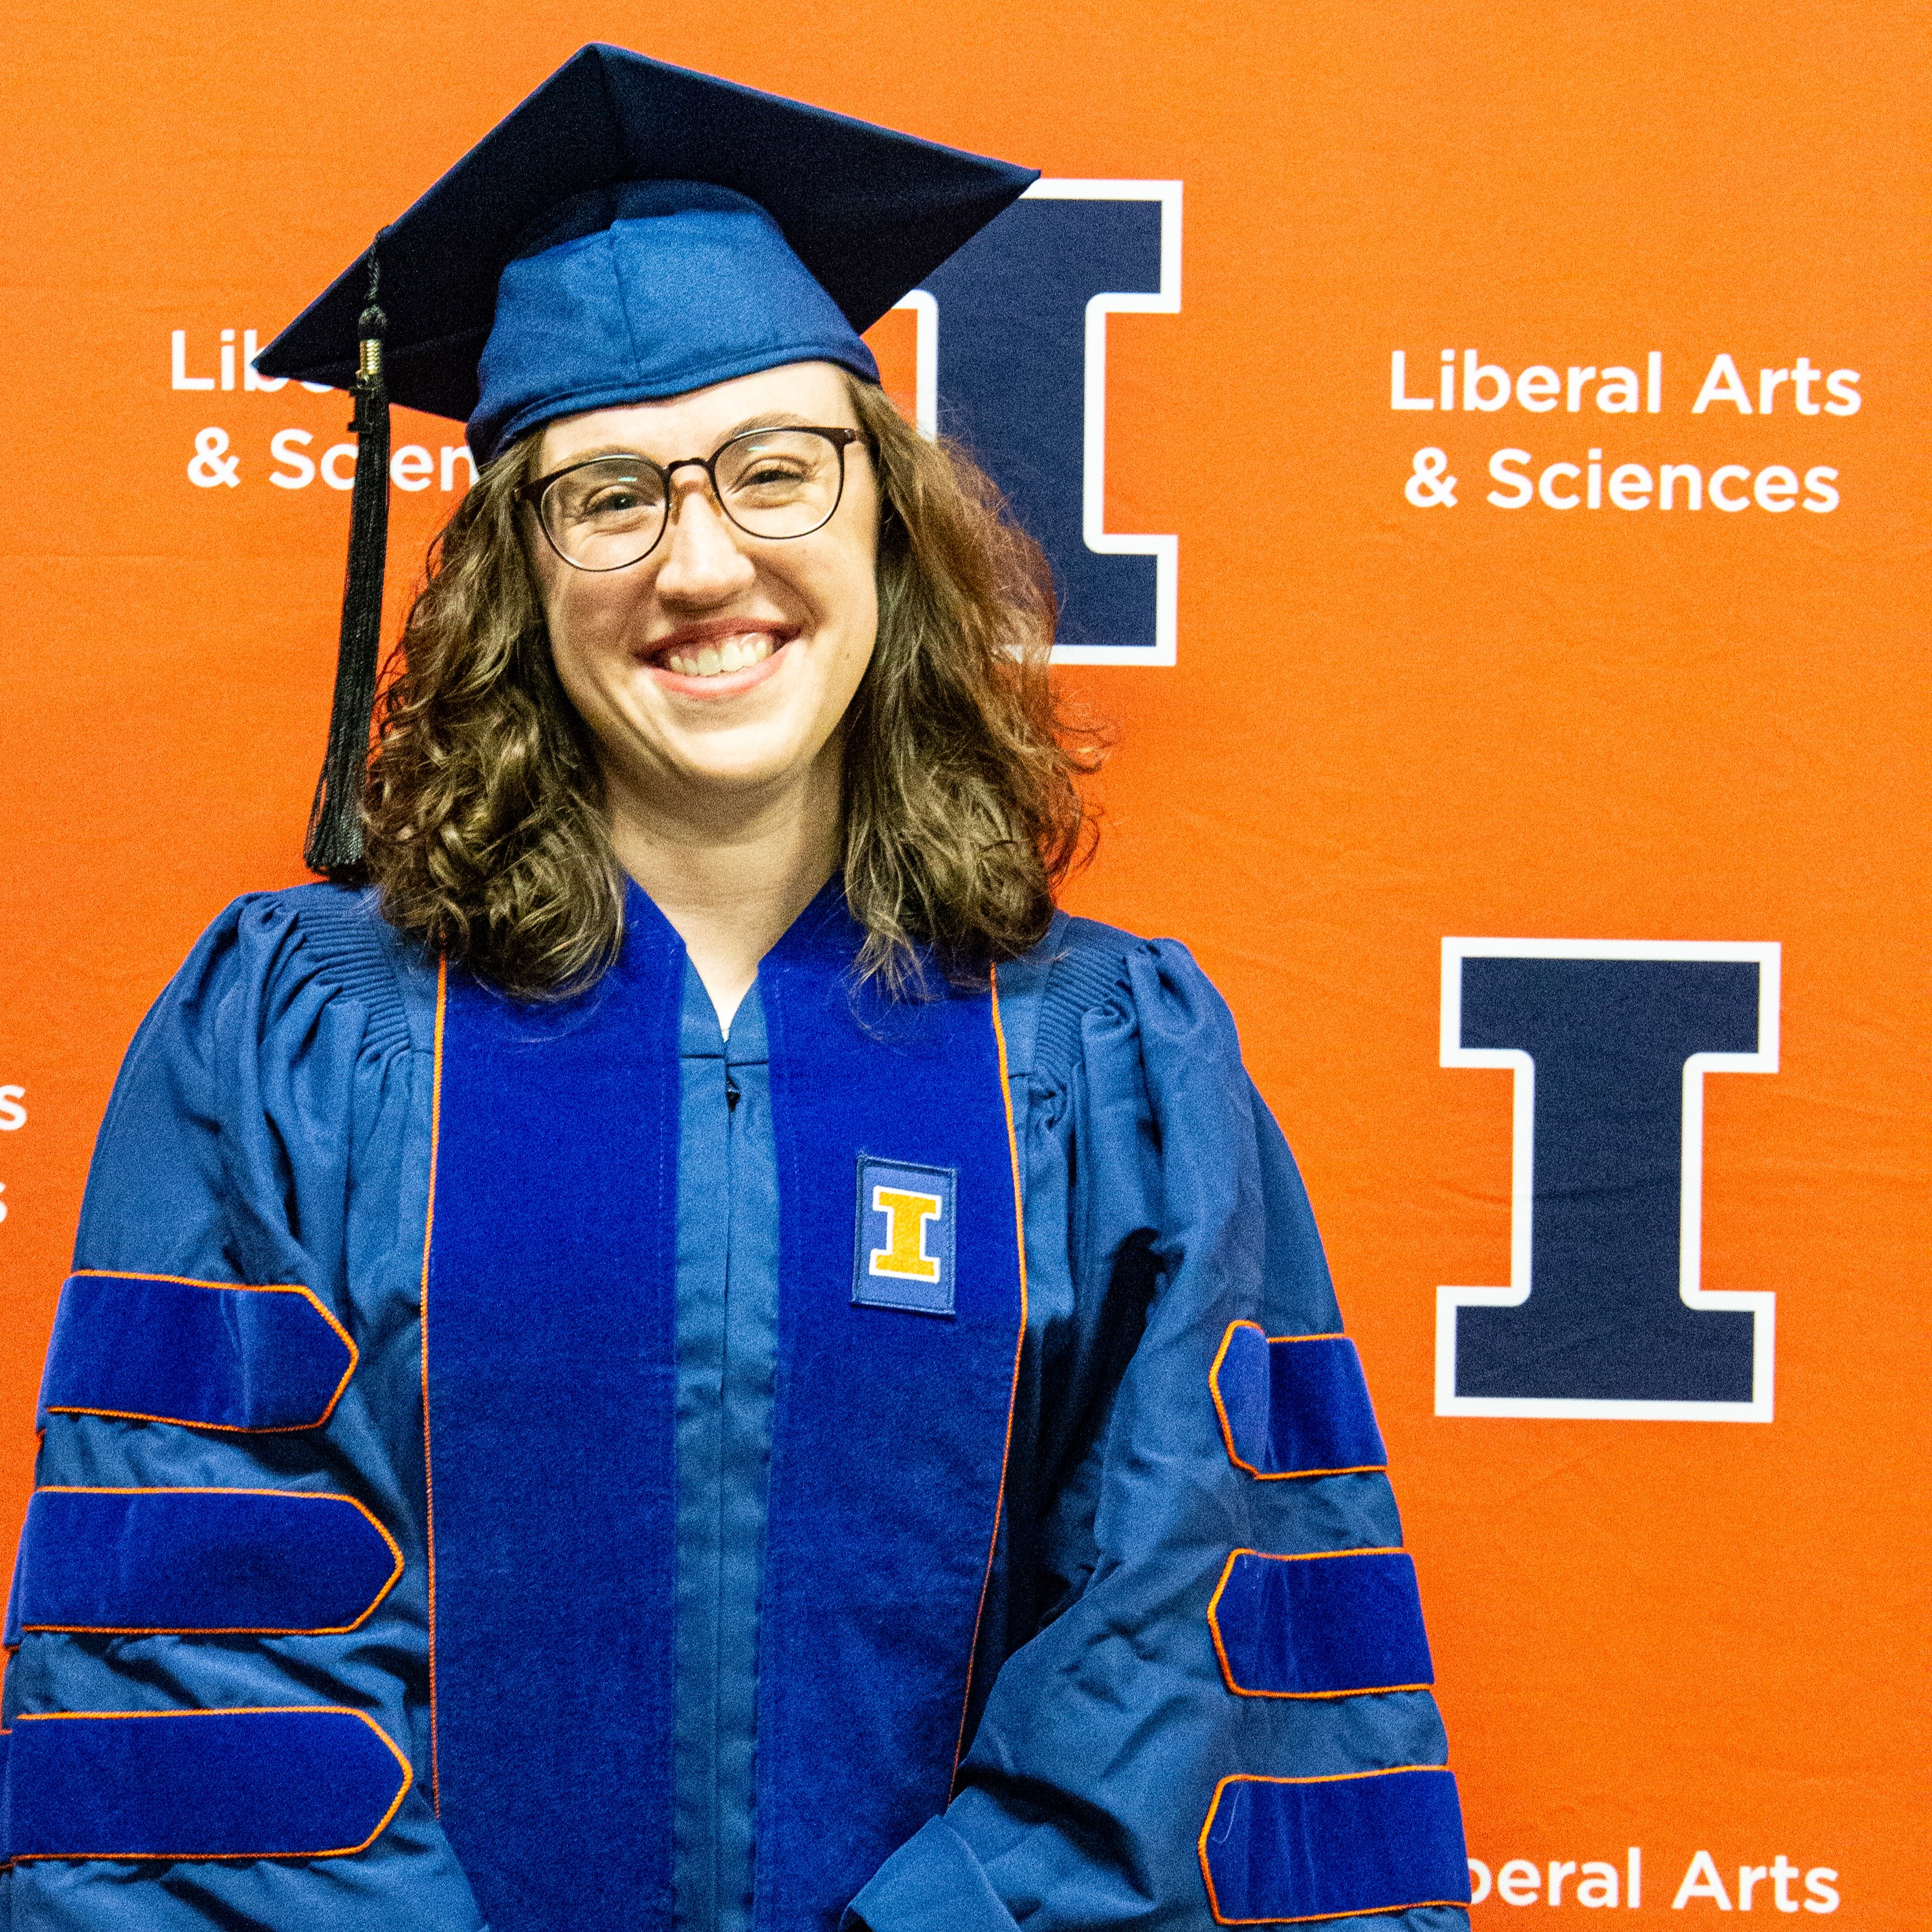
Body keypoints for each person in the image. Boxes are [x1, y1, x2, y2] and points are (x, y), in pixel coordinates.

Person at [0, 44, 1471, 1932]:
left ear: (883, 516)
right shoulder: (300, 1041)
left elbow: (1187, 1642)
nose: (704, 561)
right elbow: (198, 1678)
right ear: (516, 577)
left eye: (775, 469)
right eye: (608, 494)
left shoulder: (1105, 1064)